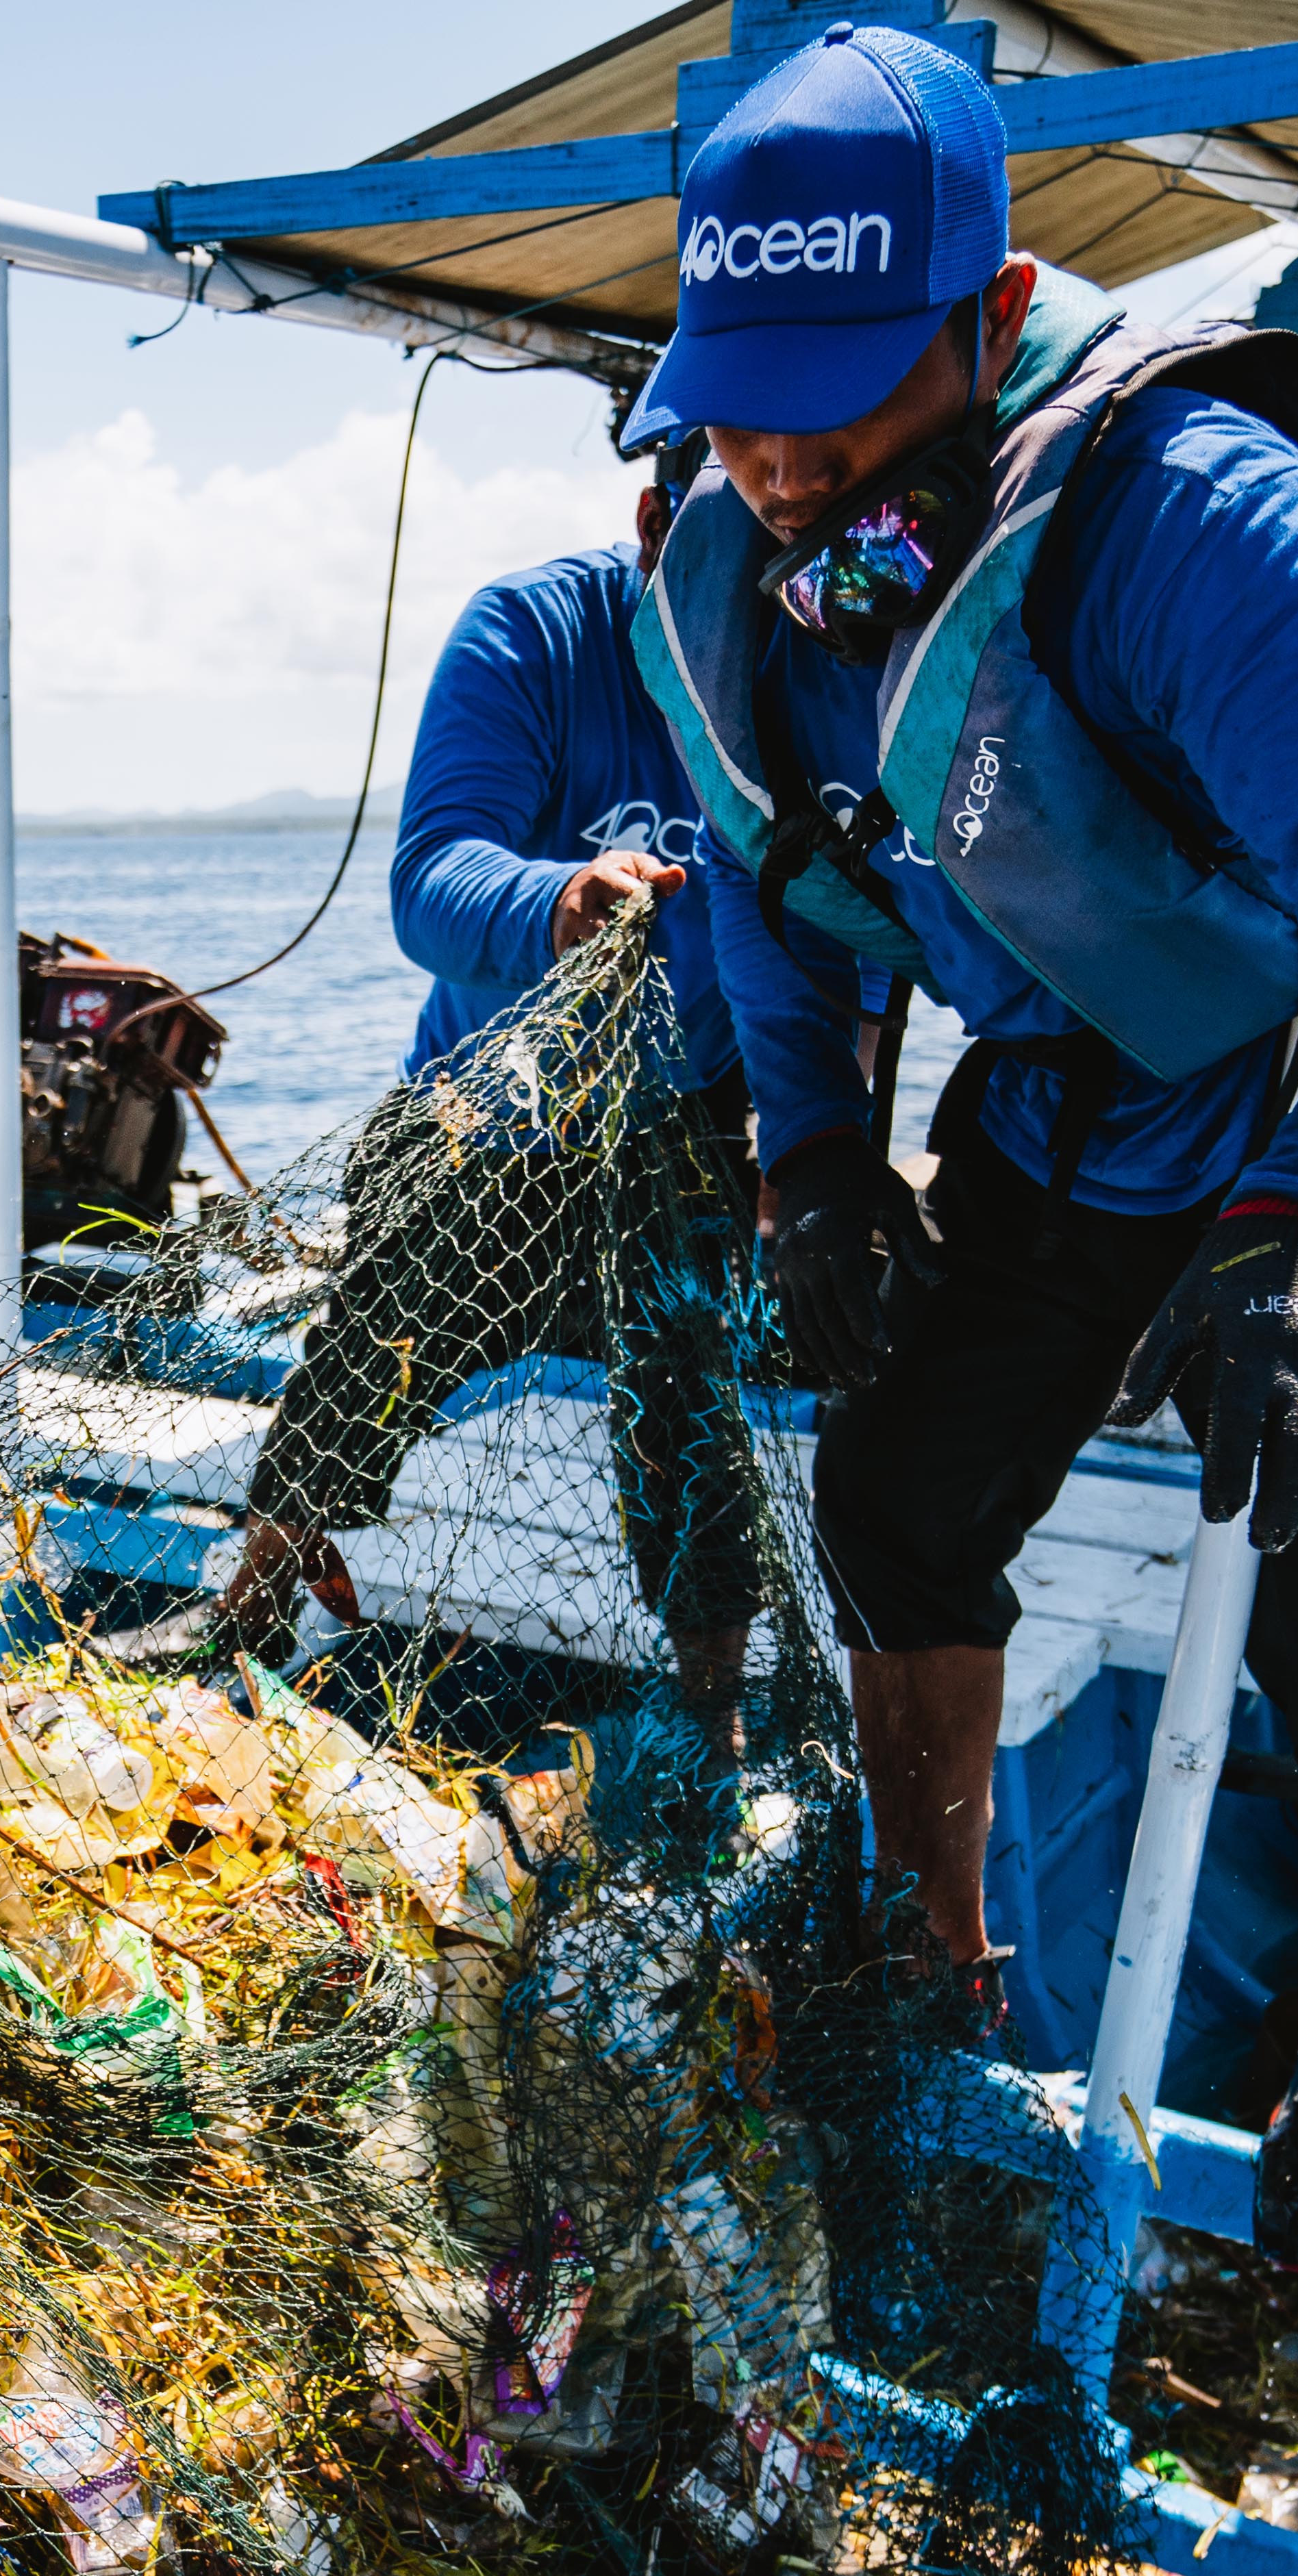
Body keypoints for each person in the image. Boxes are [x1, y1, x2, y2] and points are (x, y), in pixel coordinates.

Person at [628, 23, 1298, 2271]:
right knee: (894, 1494)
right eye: (732, 393)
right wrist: (819, 1158)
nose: (771, 455)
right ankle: (940, 1969)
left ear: (988, 309)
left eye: (828, 390)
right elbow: (765, 881)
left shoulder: (1172, 518)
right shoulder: (728, 560)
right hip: (1058, 1101)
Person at [184, 450, 771, 1753]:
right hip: (487, 1112)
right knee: (391, 1307)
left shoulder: (813, 650)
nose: (753, 584)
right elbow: (429, 878)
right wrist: (557, 901)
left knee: (689, 1374)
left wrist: (807, 1145)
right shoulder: (533, 632)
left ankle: (711, 1709)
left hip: (688, 1122)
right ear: (651, 519)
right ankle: (262, 1591)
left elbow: (835, 942)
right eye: (723, 546)